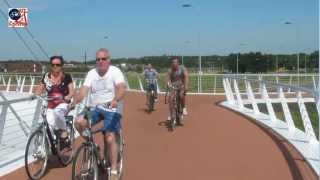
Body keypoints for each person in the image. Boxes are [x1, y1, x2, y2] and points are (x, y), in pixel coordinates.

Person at [73, 48, 126, 180]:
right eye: (98, 59)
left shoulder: (115, 71)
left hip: (112, 108)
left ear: (109, 60)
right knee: (79, 122)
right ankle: (91, 143)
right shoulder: (92, 73)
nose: (100, 61)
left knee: (109, 137)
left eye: (104, 59)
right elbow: (83, 92)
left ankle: (113, 170)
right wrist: (73, 102)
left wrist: (115, 99)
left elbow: (121, 88)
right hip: (94, 108)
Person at [33, 55, 74, 140]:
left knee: (57, 112)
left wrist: (67, 97)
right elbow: (40, 89)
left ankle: (64, 130)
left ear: (61, 65)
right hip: (51, 104)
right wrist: (35, 95)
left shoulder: (66, 77)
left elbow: (72, 92)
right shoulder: (46, 77)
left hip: (64, 103)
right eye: (53, 65)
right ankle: (50, 147)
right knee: (49, 125)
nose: (55, 66)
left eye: (58, 65)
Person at [166, 57, 189, 122]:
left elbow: (186, 76)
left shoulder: (182, 68)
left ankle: (183, 108)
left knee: (181, 95)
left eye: (175, 62)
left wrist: (186, 86)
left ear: (178, 63)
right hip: (173, 86)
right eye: (173, 62)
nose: (174, 64)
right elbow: (168, 79)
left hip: (181, 85)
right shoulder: (170, 70)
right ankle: (171, 114)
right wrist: (168, 85)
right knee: (170, 99)